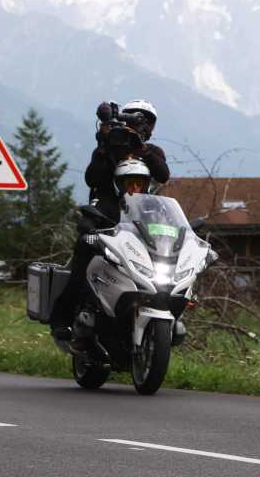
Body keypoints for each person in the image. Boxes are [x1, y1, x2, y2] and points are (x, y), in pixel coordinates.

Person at [51, 98, 170, 344]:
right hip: (104, 215)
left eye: (146, 122)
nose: (141, 126)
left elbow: (163, 175)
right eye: (135, 119)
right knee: (83, 257)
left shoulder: (153, 151)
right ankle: (62, 319)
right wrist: (104, 145)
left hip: (141, 218)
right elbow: (92, 179)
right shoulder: (109, 145)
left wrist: (142, 149)